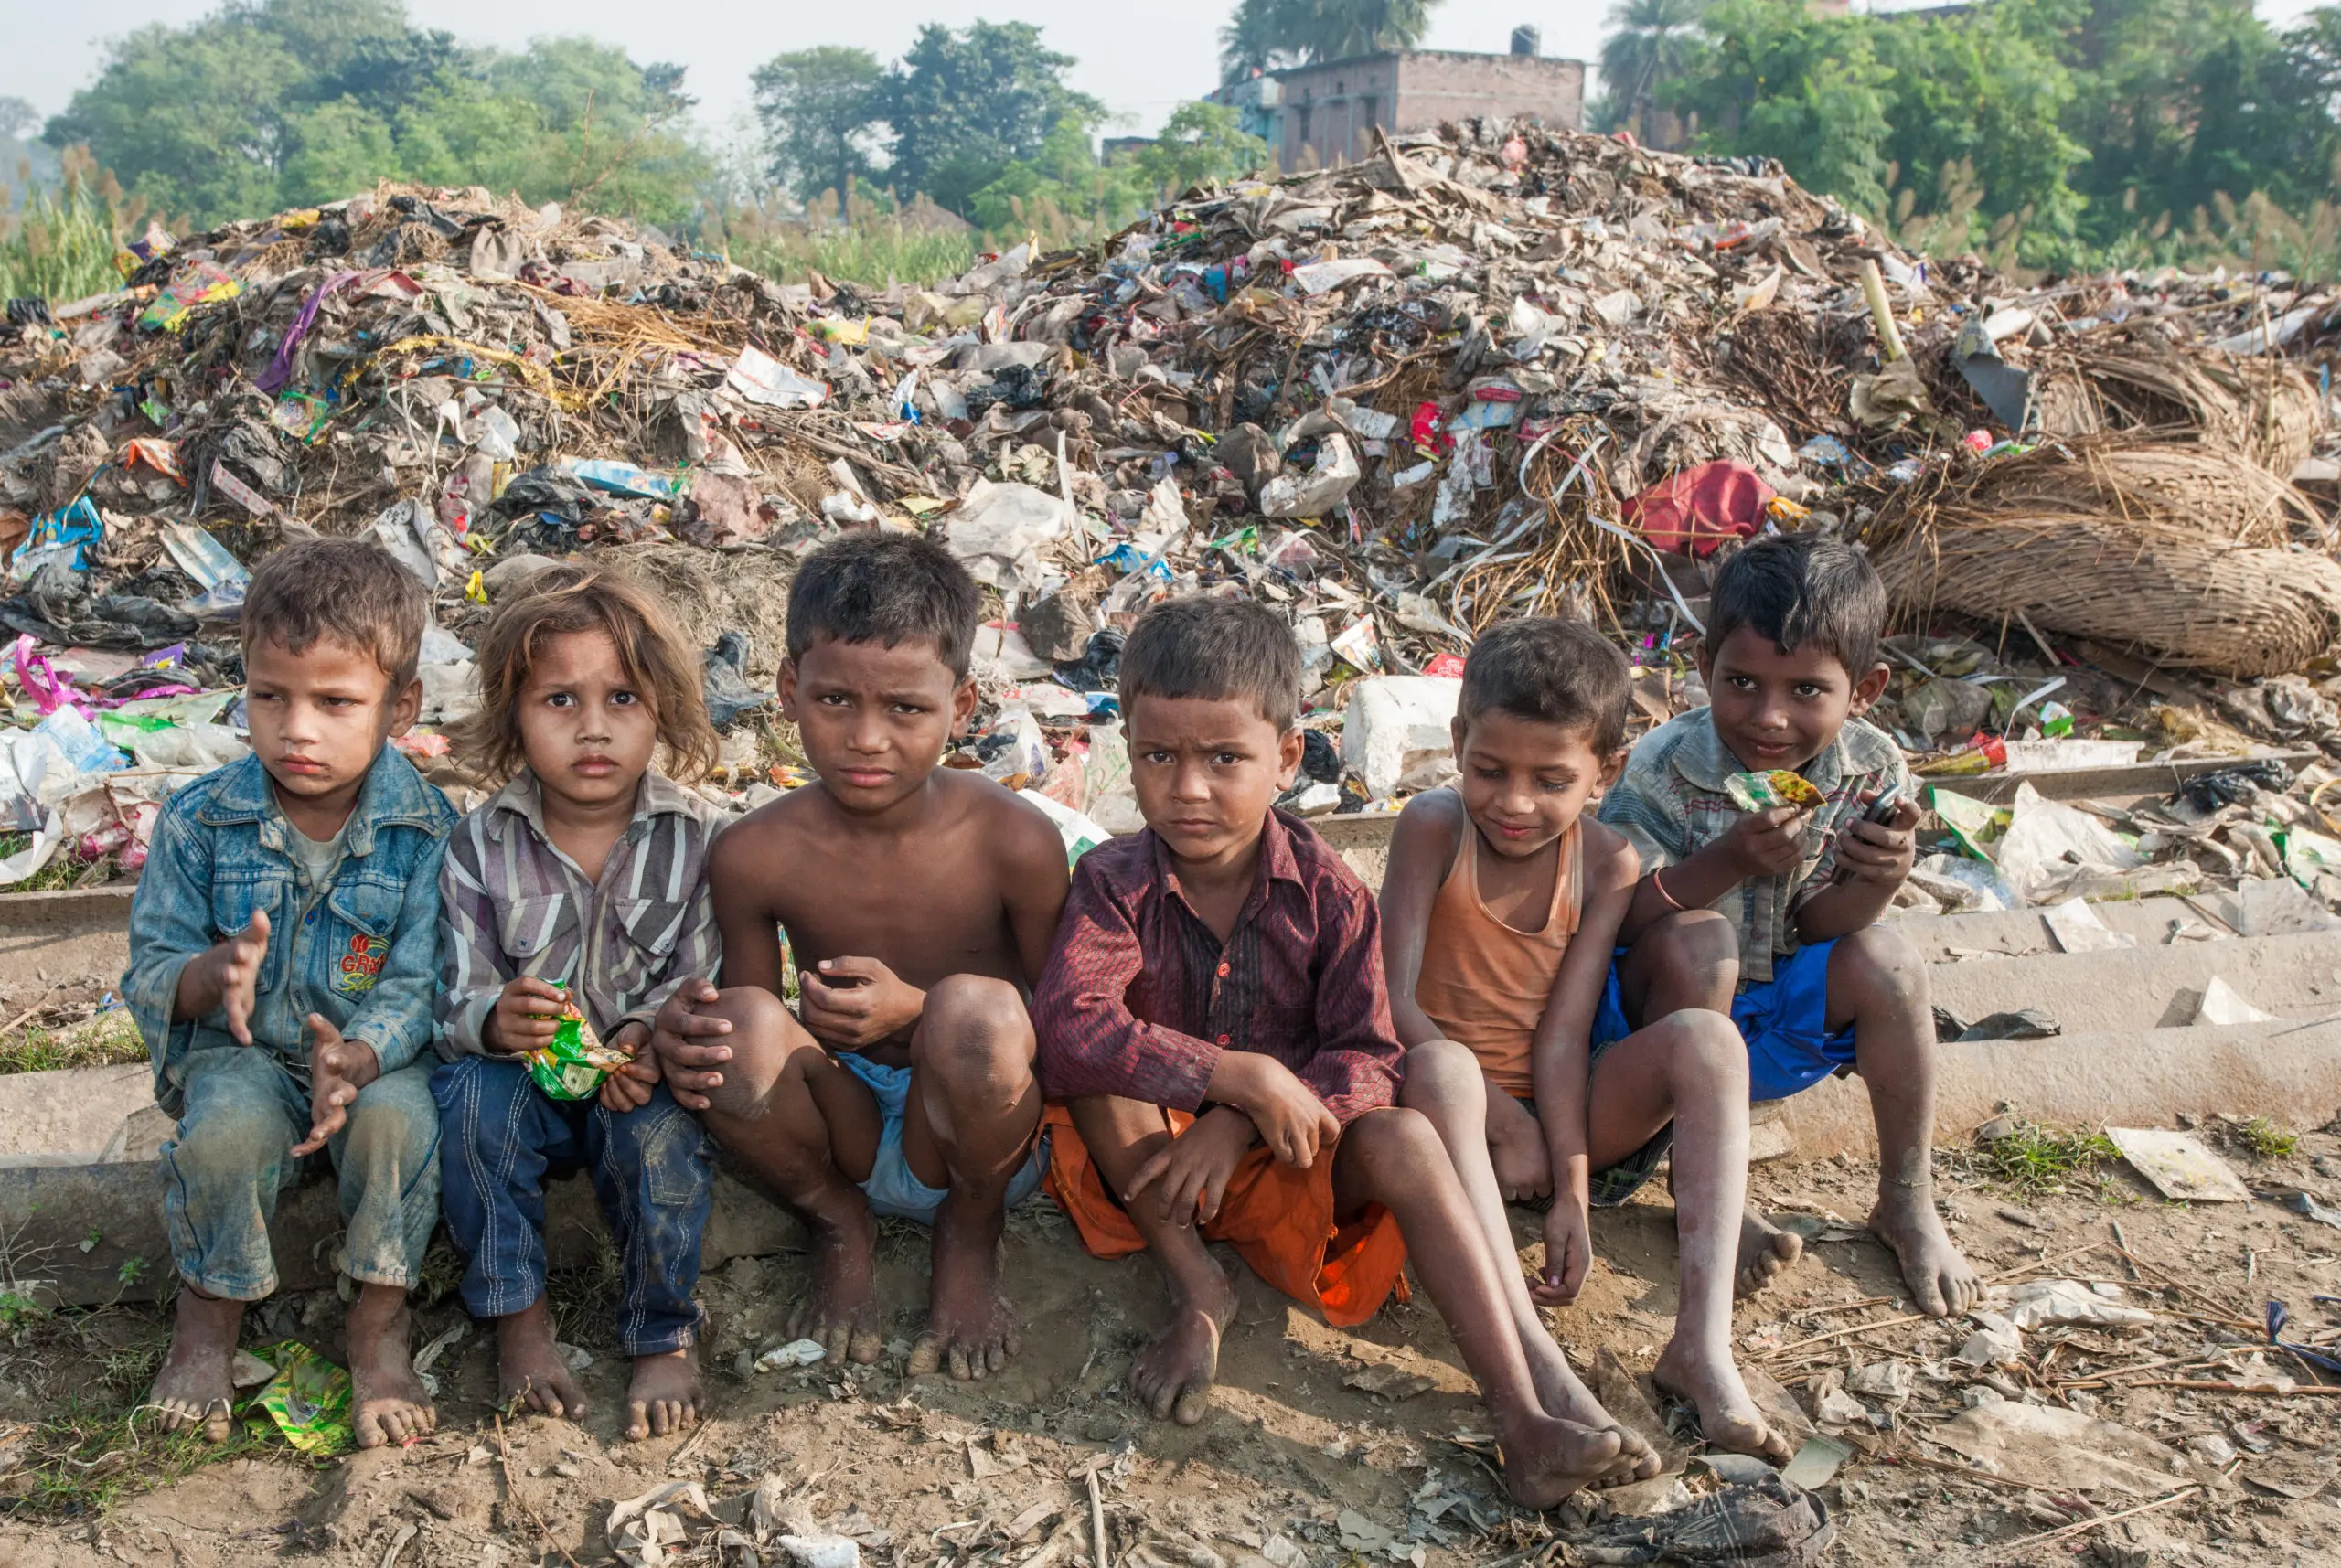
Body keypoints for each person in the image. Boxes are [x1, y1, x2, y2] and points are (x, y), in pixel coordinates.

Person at [1032, 596, 1652, 1509]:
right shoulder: (1113, 880)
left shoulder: (1328, 890)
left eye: (1224, 758)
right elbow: (1070, 1024)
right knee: (1099, 1069)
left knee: (1404, 1136)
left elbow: (1367, 1053)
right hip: (1149, 1162)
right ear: (1127, 746)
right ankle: (1198, 1288)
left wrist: (1242, 1118)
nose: (1189, 787)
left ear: (1286, 757)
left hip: (1284, 1158)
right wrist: (1230, 1075)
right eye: (1158, 755)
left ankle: (1523, 1418)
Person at [651, 533, 1070, 1381]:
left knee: (972, 1012)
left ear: (963, 702)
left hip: (972, 1125)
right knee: (729, 1027)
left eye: (906, 709)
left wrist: (916, 1013)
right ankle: (838, 1225)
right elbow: (757, 1025)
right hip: (842, 1125)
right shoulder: (755, 852)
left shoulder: (1014, 838)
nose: (867, 737)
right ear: (788, 690)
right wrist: (685, 1032)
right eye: (835, 700)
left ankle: (970, 1230)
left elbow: (1065, 1018)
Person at [1382, 617, 1790, 1464]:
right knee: (1447, 1065)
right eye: (1489, 769)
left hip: (1550, 1114)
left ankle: (1701, 1350)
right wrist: (1503, 1119)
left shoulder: (1608, 863)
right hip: (1439, 1112)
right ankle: (1534, 1355)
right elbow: (1389, 1004)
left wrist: (1570, 1183)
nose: (1516, 801)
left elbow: (1564, 1036)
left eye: (1551, 779)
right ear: (1457, 742)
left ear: (1604, 772)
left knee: (1709, 1043)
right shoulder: (1433, 825)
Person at [124, 539, 455, 1449]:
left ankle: (378, 1325)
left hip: (371, 1064)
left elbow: (426, 976)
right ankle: (208, 1319)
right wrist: (207, 974)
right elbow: (150, 966)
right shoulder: (201, 819)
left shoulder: (426, 831)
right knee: (226, 1128)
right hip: (244, 1059)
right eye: (269, 696)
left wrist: (359, 1053)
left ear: (402, 707)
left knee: (403, 1122)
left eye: (334, 701)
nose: (296, 728)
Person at [1599, 534, 1978, 1317]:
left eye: (1807, 691)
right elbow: (1618, 919)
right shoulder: (1661, 766)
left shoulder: (1872, 770)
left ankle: (1906, 1196)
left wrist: (1878, 880)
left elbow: (1817, 925)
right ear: (1704, 668)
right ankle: (1708, 1190)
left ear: (1865, 689)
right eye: (1741, 682)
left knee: (1891, 960)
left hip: (1777, 1023)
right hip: (1667, 1023)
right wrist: (1730, 861)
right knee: (1700, 938)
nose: (1769, 717)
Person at [431, 567, 725, 1441]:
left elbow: (702, 975)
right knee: (472, 1107)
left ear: (663, 710)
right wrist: (493, 1020)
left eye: (623, 697)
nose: (593, 727)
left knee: (666, 1136)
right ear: (512, 716)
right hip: (521, 1085)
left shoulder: (699, 838)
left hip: (637, 1081)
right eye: (559, 699)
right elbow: (452, 994)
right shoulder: (478, 844)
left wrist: (646, 1034)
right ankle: (518, 1321)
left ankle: (663, 1329)